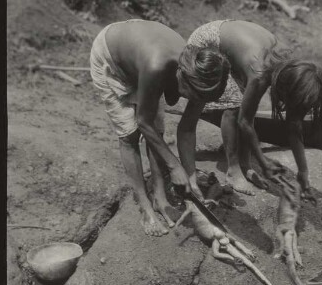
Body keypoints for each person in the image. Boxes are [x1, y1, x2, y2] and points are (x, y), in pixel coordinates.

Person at [90, 19, 230, 237]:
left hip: (142, 56)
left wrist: (191, 177)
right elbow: (143, 123)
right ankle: (145, 207)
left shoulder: (205, 78)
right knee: (130, 133)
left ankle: (159, 197)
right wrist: (174, 167)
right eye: (191, 95)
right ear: (182, 78)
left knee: (159, 129)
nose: (193, 100)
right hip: (111, 57)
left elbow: (187, 129)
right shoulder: (158, 66)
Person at [182, 20, 322, 196]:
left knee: (245, 105)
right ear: (285, 89)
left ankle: (246, 166)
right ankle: (234, 170)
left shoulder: (292, 72)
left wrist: (303, 173)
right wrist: (262, 160)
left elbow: (294, 125)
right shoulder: (260, 73)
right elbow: (244, 121)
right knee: (234, 107)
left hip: (240, 49)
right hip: (208, 41)